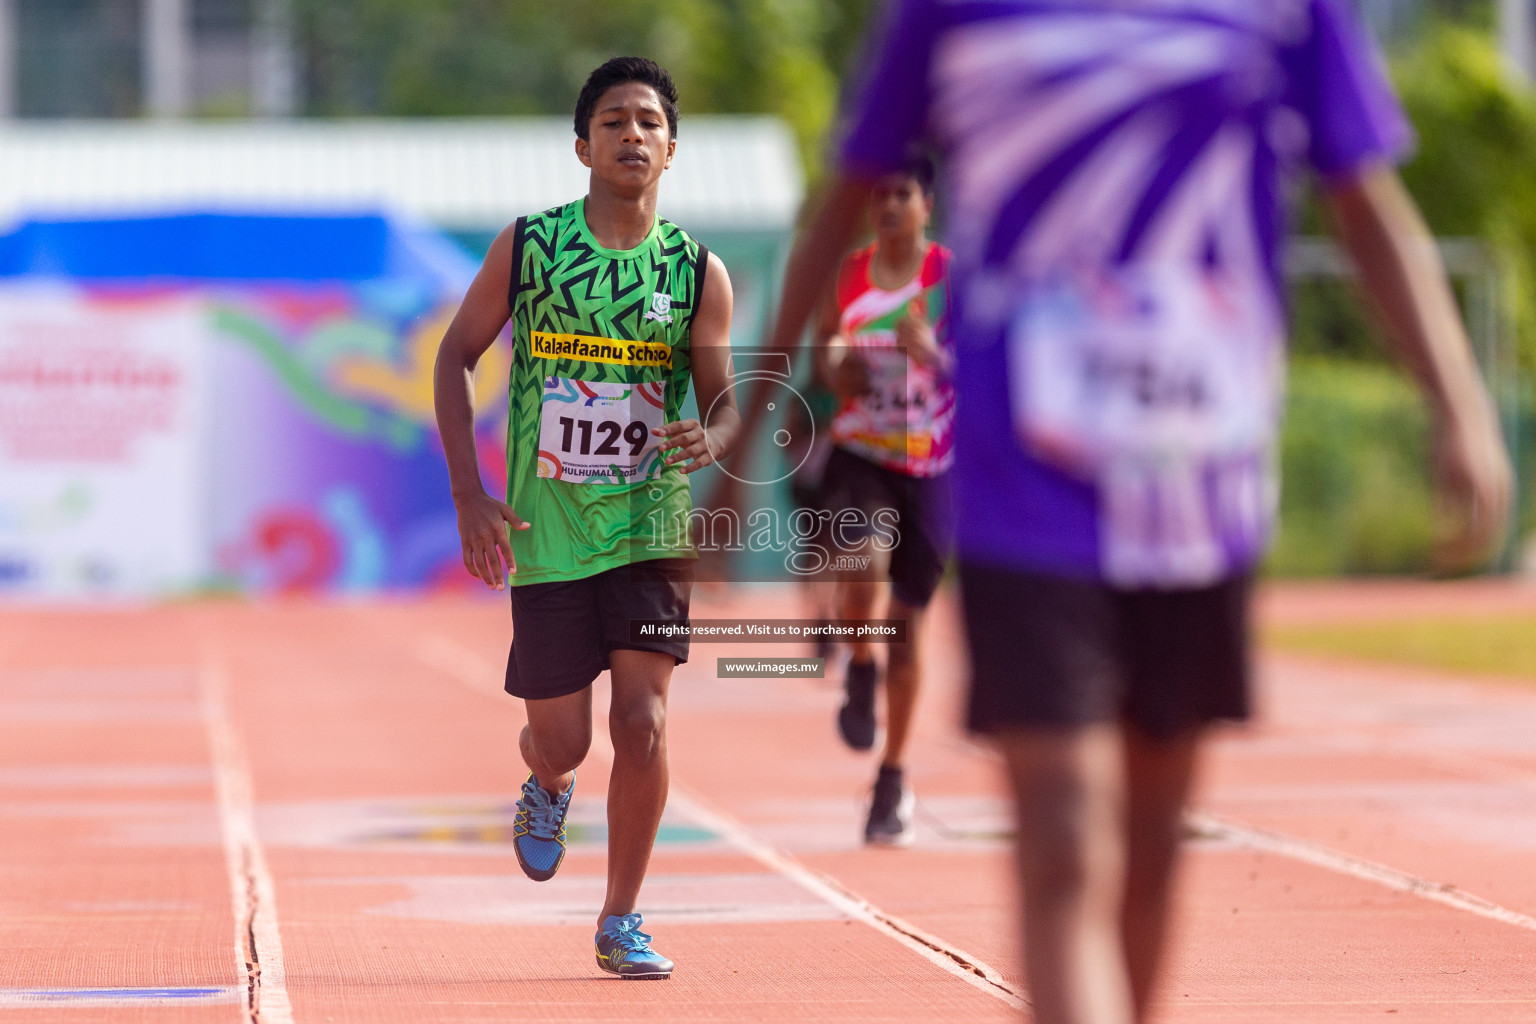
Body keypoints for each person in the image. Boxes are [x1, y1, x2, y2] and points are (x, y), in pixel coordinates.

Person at [760, 2, 1512, 1021]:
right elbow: (842, 200)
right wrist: (754, 412)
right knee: (1065, 836)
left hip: (1198, 479)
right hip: (1020, 469)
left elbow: (1366, 201)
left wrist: (1457, 404)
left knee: (1153, 850)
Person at [432, 56, 738, 981]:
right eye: (614, 121)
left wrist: (710, 439)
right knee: (565, 735)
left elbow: (728, 404)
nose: (632, 134)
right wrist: (470, 496)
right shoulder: (531, 246)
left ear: (672, 149)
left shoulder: (694, 270)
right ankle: (547, 782)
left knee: (642, 724)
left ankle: (621, 918)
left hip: (649, 529)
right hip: (549, 534)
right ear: (583, 145)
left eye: (649, 121)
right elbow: (454, 360)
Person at [813, 154, 954, 845]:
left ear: (927, 203)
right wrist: (843, 364)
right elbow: (827, 356)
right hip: (862, 452)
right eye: (881, 195)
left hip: (933, 465)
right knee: (862, 565)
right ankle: (857, 664)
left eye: (904, 193)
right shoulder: (850, 274)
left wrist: (932, 353)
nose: (890, 204)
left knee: (910, 626)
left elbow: (990, 372)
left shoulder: (952, 280)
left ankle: (892, 775)